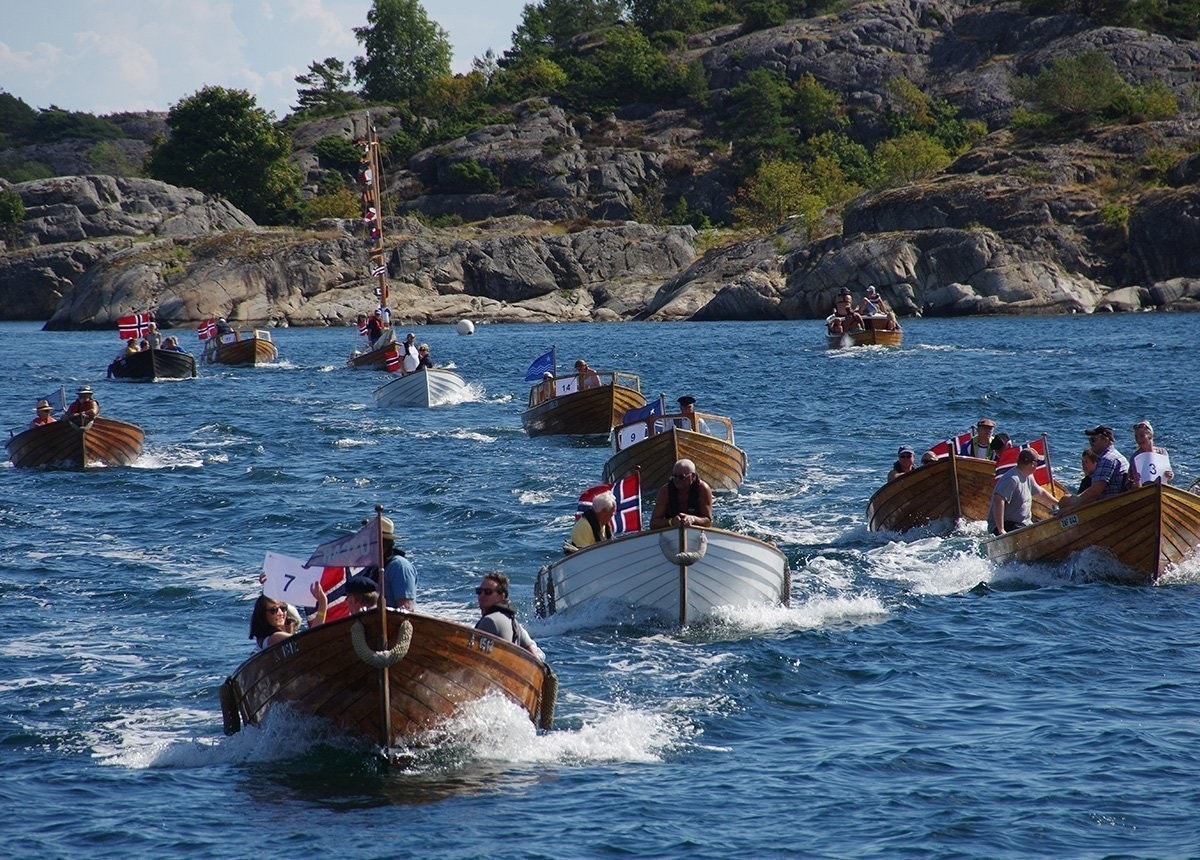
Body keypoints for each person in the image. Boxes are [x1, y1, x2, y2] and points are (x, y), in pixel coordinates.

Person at [988, 448, 1060, 536]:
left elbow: (1040, 492)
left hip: (1023, 524)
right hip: (1008, 524)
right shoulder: (1012, 479)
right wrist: (1001, 530)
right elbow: (998, 500)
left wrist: (1059, 503)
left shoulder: (1028, 476)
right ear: (1033, 464)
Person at [1058, 426, 1129, 515]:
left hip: (1107, 508)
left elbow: (1095, 491)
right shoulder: (1118, 456)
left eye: (1093, 440)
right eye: (1090, 440)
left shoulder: (1107, 459)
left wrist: (1071, 509)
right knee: (1066, 500)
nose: (1091, 443)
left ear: (1106, 441)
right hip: (1115, 504)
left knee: (1065, 501)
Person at [474, 572, 545, 660]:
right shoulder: (513, 622)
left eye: (488, 592)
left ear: (502, 596)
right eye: (479, 591)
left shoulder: (489, 621)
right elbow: (533, 652)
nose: (482, 595)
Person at [248, 582, 327, 649]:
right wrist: (323, 604)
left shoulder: (263, 637)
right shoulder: (275, 637)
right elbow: (310, 639)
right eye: (273, 610)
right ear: (263, 615)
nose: (281, 613)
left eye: (283, 608)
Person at [362, 516, 416, 610]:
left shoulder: (399, 567)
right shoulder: (372, 567)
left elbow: (406, 609)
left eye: (369, 543)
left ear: (383, 545)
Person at [650, 458, 714, 529]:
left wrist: (693, 519)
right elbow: (653, 523)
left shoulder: (703, 489)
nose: (677, 480)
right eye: (674, 476)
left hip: (695, 528)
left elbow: (708, 521)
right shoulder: (665, 491)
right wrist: (671, 522)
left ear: (693, 476)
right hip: (672, 528)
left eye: (681, 477)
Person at [1128, 420, 1173, 487]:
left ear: (1150, 436)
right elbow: (1128, 483)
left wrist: (1170, 475)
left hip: (1161, 487)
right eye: (1136, 437)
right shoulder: (1135, 457)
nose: (1138, 439)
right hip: (1143, 491)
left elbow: (1170, 474)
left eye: (1142, 436)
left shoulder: (1162, 452)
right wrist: (1135, 483)